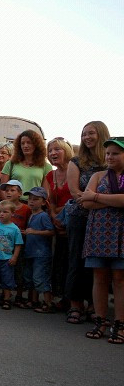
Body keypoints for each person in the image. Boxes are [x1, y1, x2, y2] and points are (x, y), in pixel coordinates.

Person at [64, 121, 109, 324]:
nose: (87, 137)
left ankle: (94, 305)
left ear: (101, 134)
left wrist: (101, 204)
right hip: (80, 217)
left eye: (91, 133)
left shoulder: (109, 160)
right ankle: (75, 304)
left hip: (105, 220)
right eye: (83, 134)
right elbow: (75, 192)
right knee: (76, 260)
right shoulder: (77, 161)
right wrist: (100, 202)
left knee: (97, 264)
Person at [81, 137, 124, 344]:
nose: (109, 156)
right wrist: (114, 202)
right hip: (99, 233)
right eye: (108, 153)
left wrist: (96, 197)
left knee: (119, 278)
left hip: (122, 234)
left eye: (115, 153)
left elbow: (93, 199)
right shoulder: (98, 175)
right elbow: (85, 202)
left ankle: (120, 323)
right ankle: (101, 320)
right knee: (99, 276)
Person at [45, 137, 74, 306]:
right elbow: (51, 200)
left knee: (73, 261)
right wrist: (55, 216)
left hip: (75, 220)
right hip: (58, 223)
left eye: (57, 149)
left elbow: (77, 196)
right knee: (60, 259)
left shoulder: (76, 169)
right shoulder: (51, 175)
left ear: (67, 151)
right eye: (50, 150)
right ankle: (63, 296)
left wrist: (62, 214)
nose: (53, 153)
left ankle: (76, 299)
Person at [21, 187, 55, 312]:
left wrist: (34, 232)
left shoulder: (43, 216)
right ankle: (33, 300)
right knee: (29, 277)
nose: (31, 201)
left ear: (43, 202)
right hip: (31, 252)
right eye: (30, 199)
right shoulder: (31, 215)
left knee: (40, 277)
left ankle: (48, 303)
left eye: (35, 199)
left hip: (41, 253)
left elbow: (51, 231)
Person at [0, 130, 52, 200]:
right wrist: (9, 205)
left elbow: (45, 192)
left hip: (34, 207)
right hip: (13, 206)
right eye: (22, 143)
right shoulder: (10, 164)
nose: (25, 146)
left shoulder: (46, 166)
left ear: (36, 145)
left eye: (29, 143)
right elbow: (2, 190)